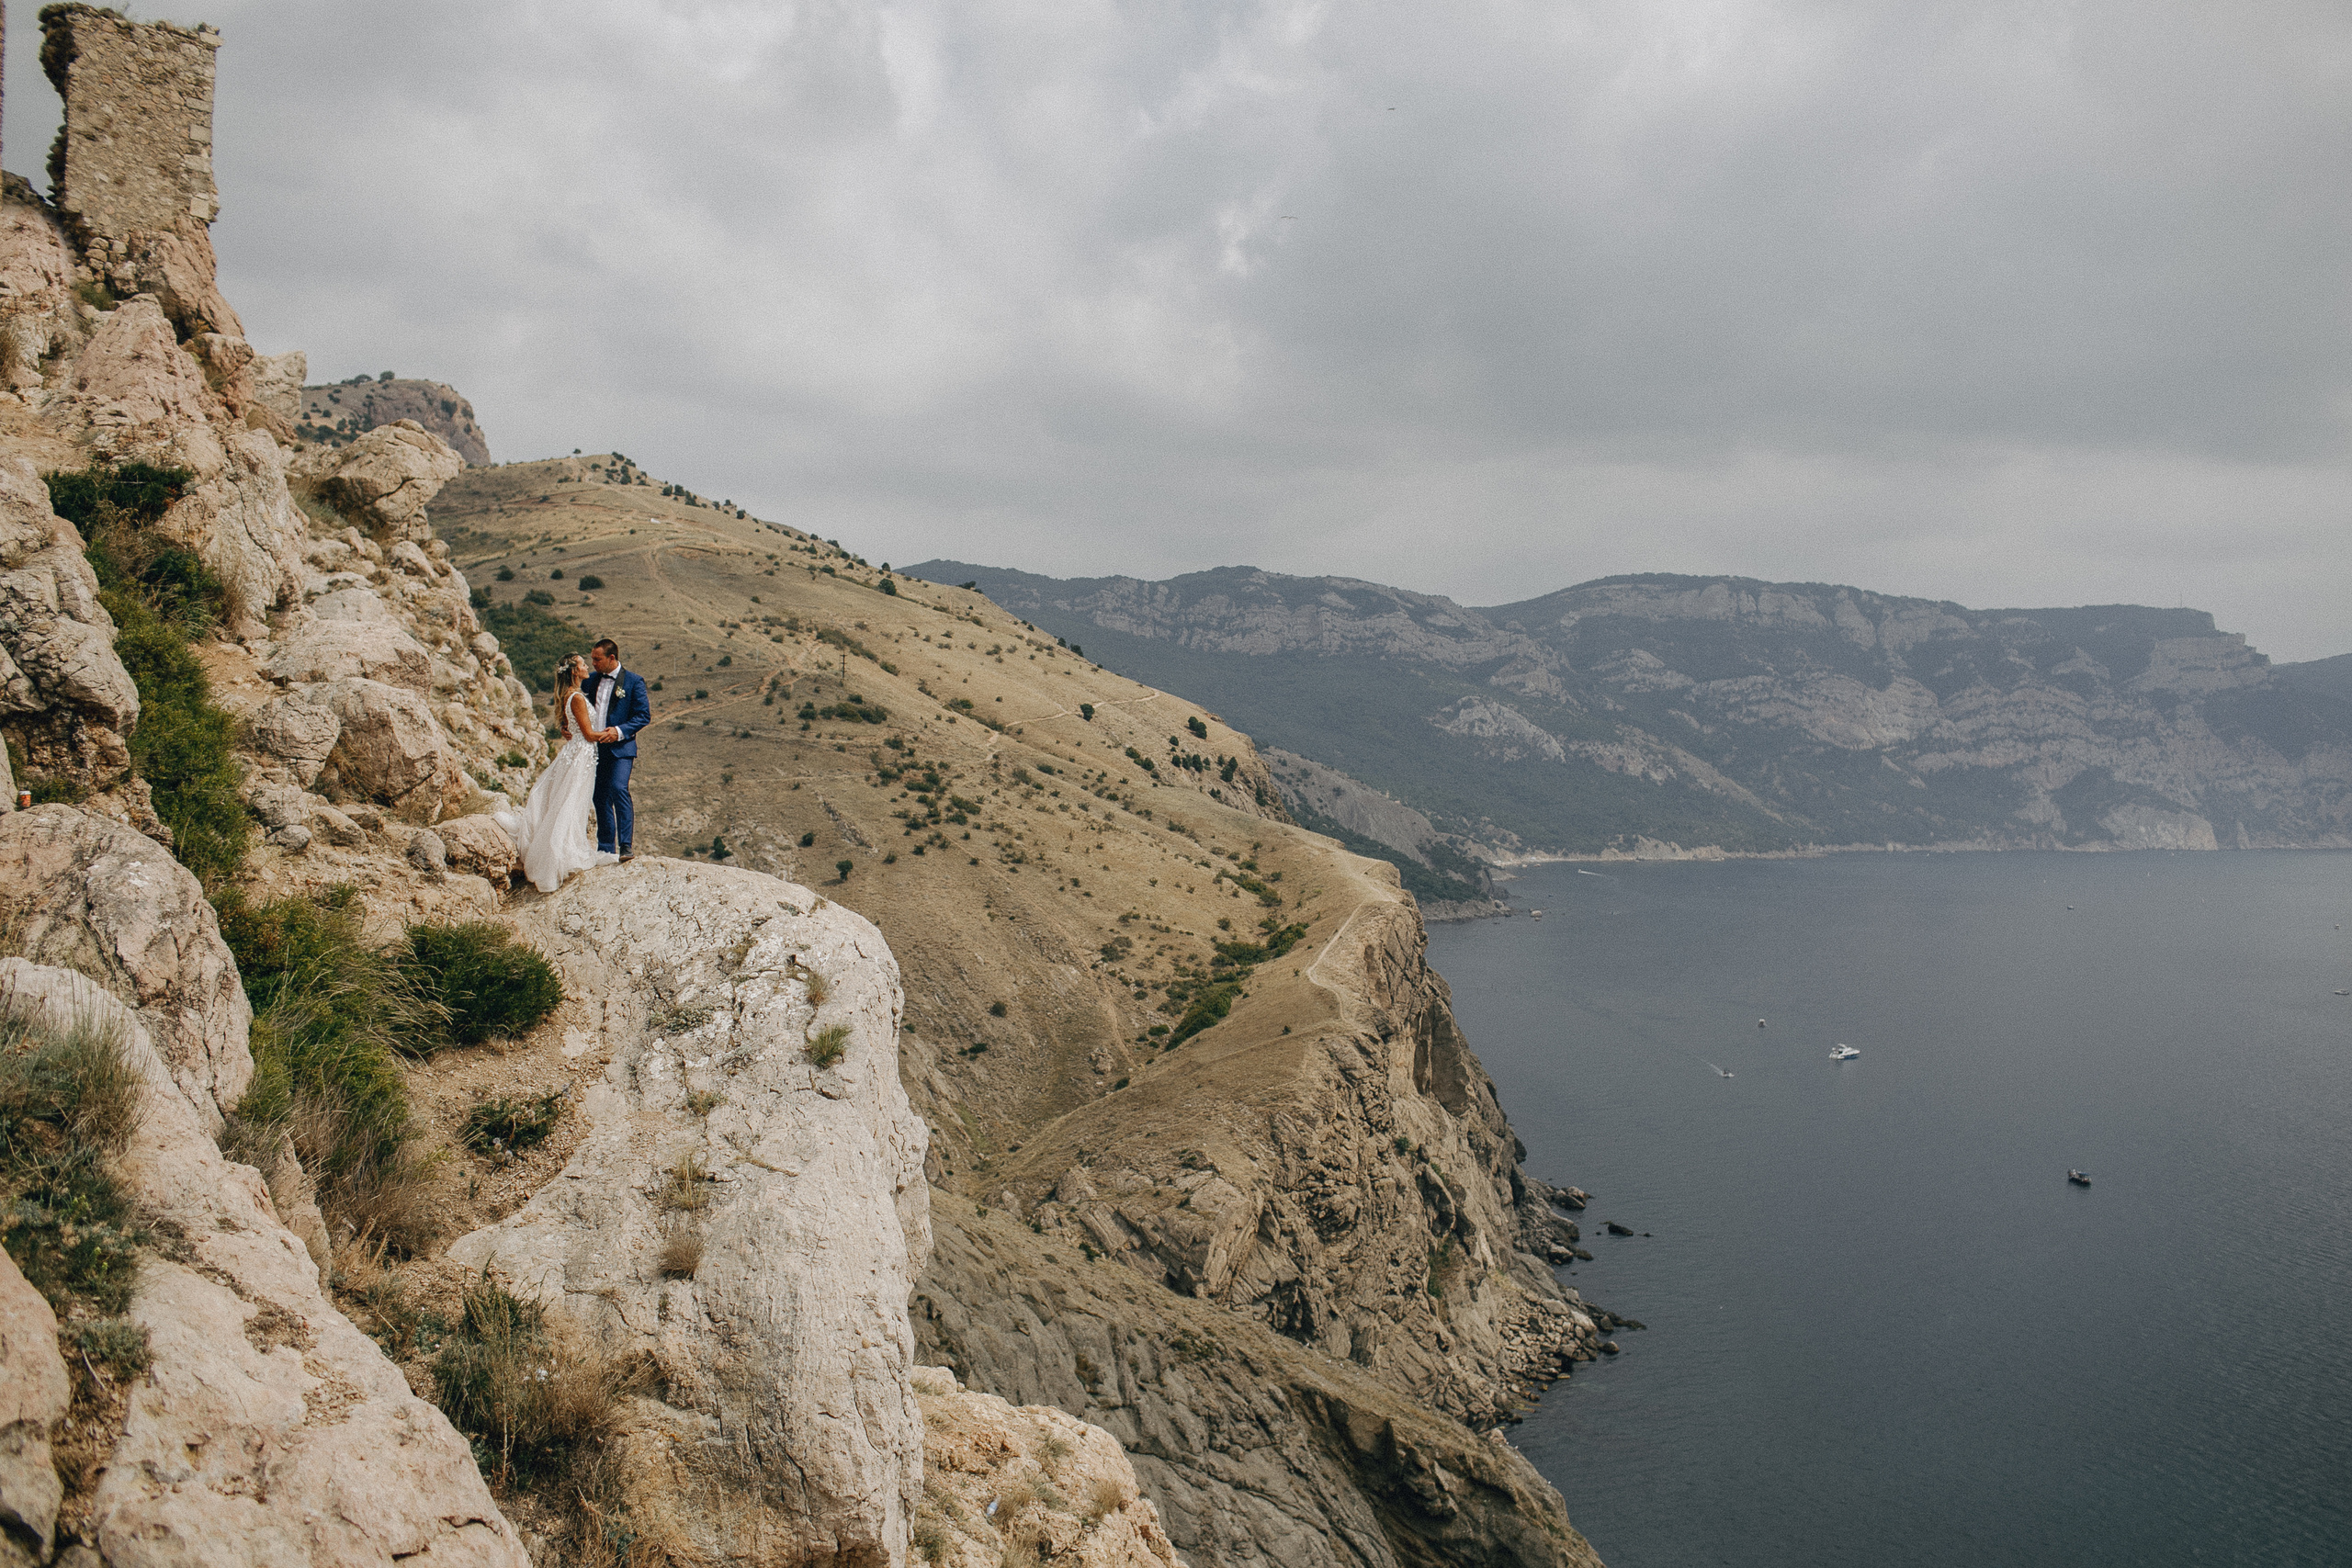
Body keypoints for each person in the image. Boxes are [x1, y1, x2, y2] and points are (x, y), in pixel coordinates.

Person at [492, 655, 619, 892]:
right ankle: (559, 852)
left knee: (572, 800)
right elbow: (588, 734)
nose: (586, 667)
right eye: (582, 664)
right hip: (581, 755)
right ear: (573, 671)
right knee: (571, 801)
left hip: (581, 754)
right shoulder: (578, 698)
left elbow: (570, 727)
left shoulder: (570, 695)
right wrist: (612, 734)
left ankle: (566, 845)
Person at [580, 637, 651, 861]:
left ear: (612, 658)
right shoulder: (590, 681)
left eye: (597, 659)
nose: (593, 664)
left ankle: (626, 846)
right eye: (591, 659)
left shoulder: (633, 681)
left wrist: (618, 731)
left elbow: (643, 716)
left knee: (619, 788)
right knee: (599, 796)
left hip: (621, 748)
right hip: (596, 748)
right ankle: (605, 849)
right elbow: (577, 705)